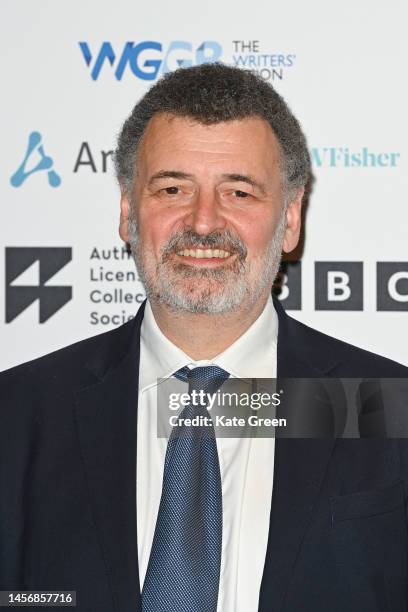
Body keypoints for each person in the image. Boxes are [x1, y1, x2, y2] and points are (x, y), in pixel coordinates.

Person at [1, 63, 407, 612]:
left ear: (290, 219)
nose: (202, 222)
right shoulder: (19, 414)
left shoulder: (386, 405)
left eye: (239, 192)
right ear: (127, 211)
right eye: (172, 188)